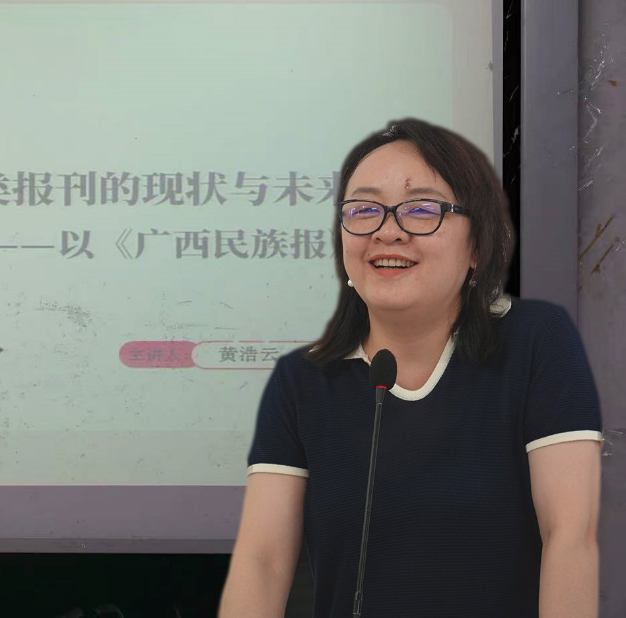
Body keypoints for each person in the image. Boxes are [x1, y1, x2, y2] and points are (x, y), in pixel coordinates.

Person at [218, 118, 602, 618]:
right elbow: (263, 562)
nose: (387, 231)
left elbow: (568, 536)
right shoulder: (303, 380)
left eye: (421, 210)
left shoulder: (535, 342)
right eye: (364, 210)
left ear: (477, 246)